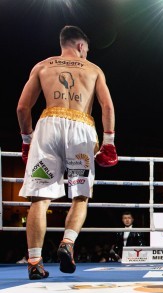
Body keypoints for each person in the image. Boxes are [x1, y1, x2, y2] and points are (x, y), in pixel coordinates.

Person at [17, 25, 118, 280]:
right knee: (80, 195)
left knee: (39, 199)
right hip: (81, 130)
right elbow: (107, 106)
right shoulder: (93, 69)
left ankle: (35, 262)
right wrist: (109, 143)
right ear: (81, 46)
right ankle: (68, 242)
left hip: (48, 127)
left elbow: (22, 108)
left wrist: (27, 140)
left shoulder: (43, 66)